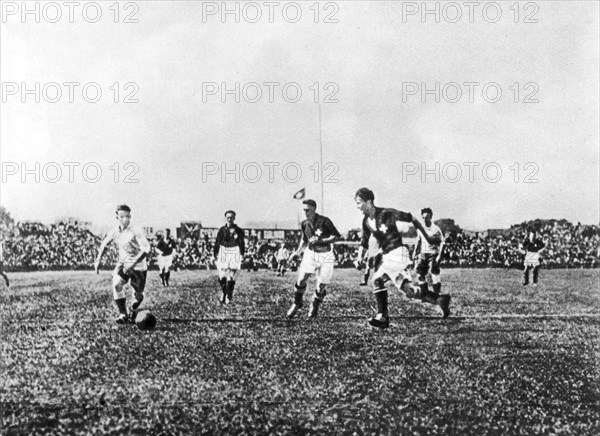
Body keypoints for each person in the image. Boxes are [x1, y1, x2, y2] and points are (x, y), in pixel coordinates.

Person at [354, 188, 451, 329]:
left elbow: (411, 218)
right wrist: (359, 258)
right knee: (409, 291)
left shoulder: (387, 213)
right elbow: (364, 242)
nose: (358, 206)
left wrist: (426, 236)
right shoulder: (366, 221)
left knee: (377, 280)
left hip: (398, 253)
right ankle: (440, 299)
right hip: (389, 256)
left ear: (369, 201)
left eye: (359, 203)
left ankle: (382, 317)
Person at [94, 204, 151, 324]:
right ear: (117, 217)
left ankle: (133, 309)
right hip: (123, 264)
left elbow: (147, 249)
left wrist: (133, 263)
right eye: (122, 216)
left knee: (138, 295)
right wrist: (98, 260)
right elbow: (104, 244)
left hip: (138, 266)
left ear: (130, 216)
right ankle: (123, 314)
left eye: (127, 216)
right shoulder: (114, 231)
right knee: (116, 284)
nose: (125, 218)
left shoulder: (136, 230)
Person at [287, 199, 341, 319]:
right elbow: (304, 239)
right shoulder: (304, 223)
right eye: (304, 210)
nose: (306, 213)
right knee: (301, 279)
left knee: (321, 285)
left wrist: (321, 240)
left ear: (314, 209)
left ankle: (315, 305)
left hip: (325, 254)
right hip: (310, 253)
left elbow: (336, 236)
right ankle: (297, 303)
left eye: (308, 210)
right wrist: (297, 252)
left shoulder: (325, 221)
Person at [413, 207, 447, 305]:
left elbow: (442, 243)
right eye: (423, 217)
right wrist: (414, 253)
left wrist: (439, 255)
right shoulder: (421, 229)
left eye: (427, 217)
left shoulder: (436, 229)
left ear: (431, 217)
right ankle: (424, 295)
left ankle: (437, 295)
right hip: (424, 254)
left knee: (434, 272)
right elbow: (418, 241)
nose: (425, 219)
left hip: (433, 253)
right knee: (419, 273)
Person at [213, 210, 245, 304]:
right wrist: (215, 254)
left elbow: (241, 243)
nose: (229, 219)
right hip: (223, 251)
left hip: (234, 251)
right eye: (228, 217)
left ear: (234, 218)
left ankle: (228, 295)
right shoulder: (222, 230)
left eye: (231, 217)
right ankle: (224, 292)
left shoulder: (238, 230)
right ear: (225, 218)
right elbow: (217, 242)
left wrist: (242, 254)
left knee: (230, 276)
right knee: (222, 276)